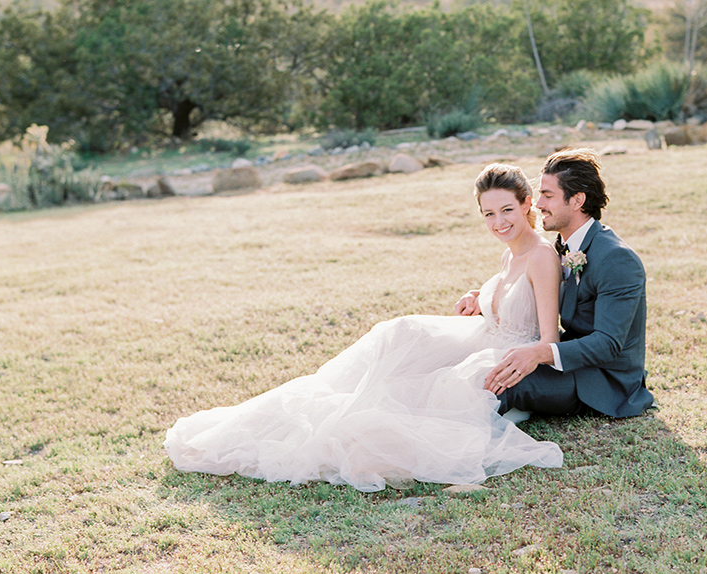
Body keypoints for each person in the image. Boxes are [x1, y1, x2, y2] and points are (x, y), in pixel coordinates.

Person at [164, 164, 563, 492]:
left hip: (503, 352)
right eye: (488, 214)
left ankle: (344, 426)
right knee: (399, 334)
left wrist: (525, 357)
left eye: (507, 210)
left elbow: (547, 337)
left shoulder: (542, 256)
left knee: (414, 397)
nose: (498, 222)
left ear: (527, 203)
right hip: (480, 334)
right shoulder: (511, 253)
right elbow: (512, 292)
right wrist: (483, 296)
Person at [456, 148, 653, 418]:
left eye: (548, 195)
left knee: (496, 383)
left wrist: (539, 354)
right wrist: (484, 298)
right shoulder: (565, 246)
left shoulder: (616, 258)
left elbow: (608, 344)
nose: (538, 205)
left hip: (602, 380)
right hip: (567, 362)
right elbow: (535, 288)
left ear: (577, 200)